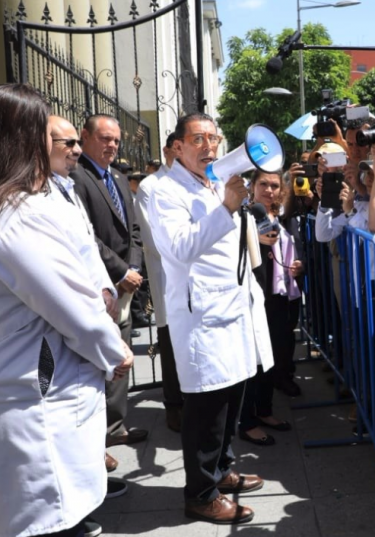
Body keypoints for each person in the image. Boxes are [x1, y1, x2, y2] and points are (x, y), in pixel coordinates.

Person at [0, 85, 133, 537]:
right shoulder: (15, 215)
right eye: (42, 130)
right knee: (43, 518)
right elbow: (72, 309)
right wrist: (115, 353)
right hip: (31, 396)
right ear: (24, 139)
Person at [148, 113, 272, 526]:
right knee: (207, 408)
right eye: (198, 139)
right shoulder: (164, 191)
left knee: (231, 396)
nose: (209, 146)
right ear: (178, 146)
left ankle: (222, 470)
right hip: (202, 315)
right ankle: (200, 493)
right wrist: (227, 207)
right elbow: (180, 247)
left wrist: (233, 203)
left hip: (232, 308)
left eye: (213, 138)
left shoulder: (213, 182)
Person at [72, 115, 149, 455]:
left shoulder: (117, 177)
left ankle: (114, 427)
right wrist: (119, 271)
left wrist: (134, 267)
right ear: (85, 136)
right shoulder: (76, 177)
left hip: (125, 284)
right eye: (105, 138)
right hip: (97, 283)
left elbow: (134, 231)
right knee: (96, 359)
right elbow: (85, 234)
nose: (112, 145)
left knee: (122, 351)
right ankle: (93, 438)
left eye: (116, 140)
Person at [239, 169, 305, 445]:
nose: (269, 190)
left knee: (271, 356)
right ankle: (247, 421)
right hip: (254, 296)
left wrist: (299, 264)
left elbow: (294, 248)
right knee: (252, 360)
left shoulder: (281, 217)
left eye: (275, 185)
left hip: (280, 297)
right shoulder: (242, 215)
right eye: (263, 184)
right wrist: (253, 239)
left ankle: (265, 411)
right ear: (252, 186)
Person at [134, 133, 184, 433]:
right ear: (167, 151)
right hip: (168, 273)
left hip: (198, 279)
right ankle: (174, 404)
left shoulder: (197, 182)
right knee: (171, 340)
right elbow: (152, 238)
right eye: (177, 150)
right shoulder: (150, 186)